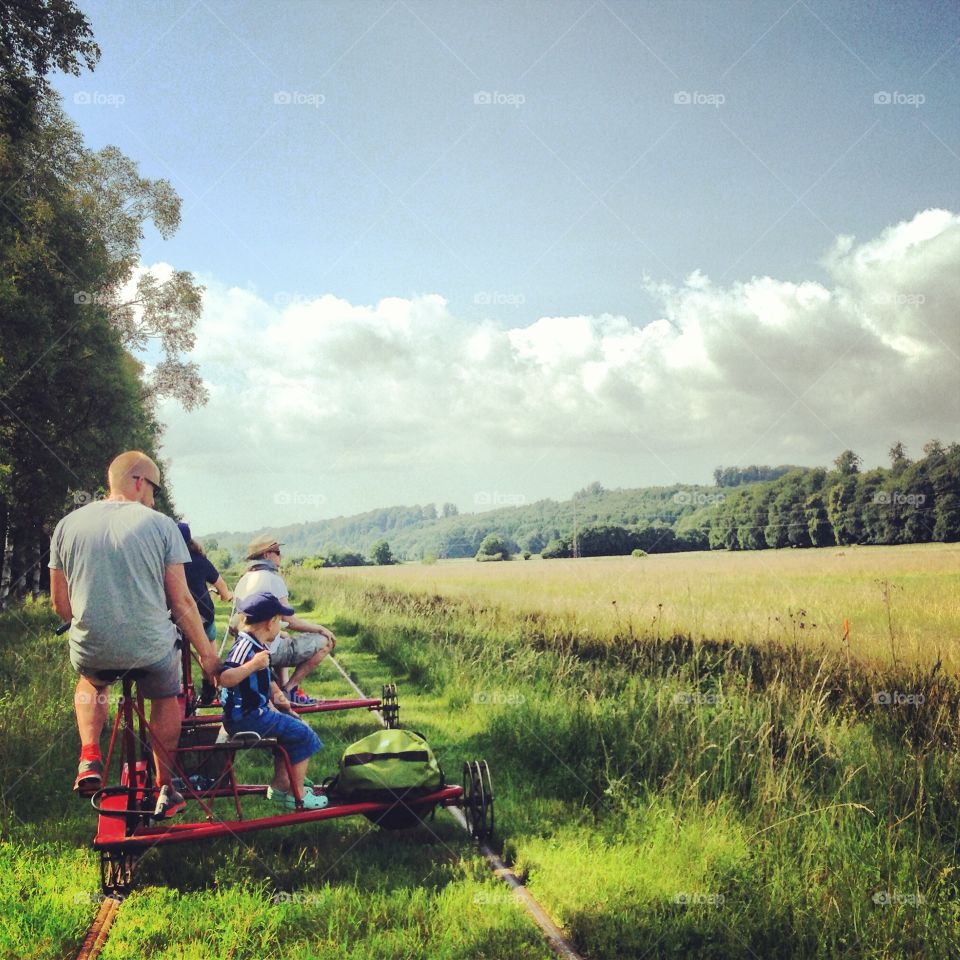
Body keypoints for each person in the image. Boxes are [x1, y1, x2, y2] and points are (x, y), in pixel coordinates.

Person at [49, 451, 222, 819]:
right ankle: (164, 786)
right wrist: (207, 655)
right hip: (151, 652)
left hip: (92, 648)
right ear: (140, 481)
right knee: (164, 696)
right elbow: (181, 601)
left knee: (91, 682)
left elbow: (60, 605)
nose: (154, 499)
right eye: (154, 489)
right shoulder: (161, 526)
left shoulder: (67, 525)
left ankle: (90, 757)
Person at [220, 591, 327, 810]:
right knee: (304, 735)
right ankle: (296, 795)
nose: (281, 626)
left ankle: (280, 786)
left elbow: (263, 681)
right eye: (280, 621)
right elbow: (225, 678)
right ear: (270, 623)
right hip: (247, 718)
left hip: (251, 714)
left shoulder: (255, 645)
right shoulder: (246, 648)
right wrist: (252, 665)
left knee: (295, 727)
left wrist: (280, 701)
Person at [232, 534, 335, 705]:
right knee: (326, 641)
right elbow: (291, 620)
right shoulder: (273, 579)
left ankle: (280, 689)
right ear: (266, 555)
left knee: (284, 636)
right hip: (267, 652)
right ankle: (290, 689)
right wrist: (320, 629)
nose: (281, 556)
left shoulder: (243, 580)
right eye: (277, 552)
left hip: (248, 648)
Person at [177, 522, 232, 642]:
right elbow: (221, 585)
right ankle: (209, 657)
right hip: (203, 617)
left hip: (176, 618)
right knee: (210, 640)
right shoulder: (200, 560)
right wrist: (226, 596)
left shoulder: (168, 563)